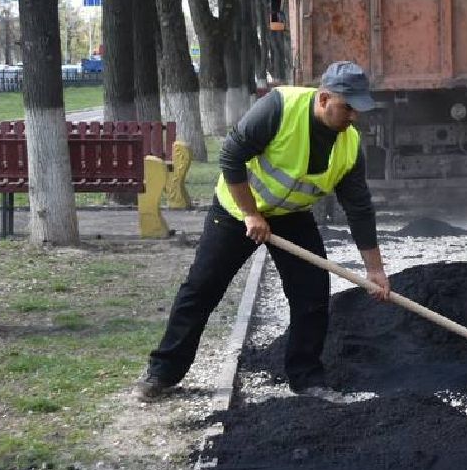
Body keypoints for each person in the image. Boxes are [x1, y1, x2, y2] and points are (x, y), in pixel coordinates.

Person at [136, 60, 391, 400]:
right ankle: (162, 372)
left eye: (359, 110)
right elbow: (230, 157)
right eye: (348, 108)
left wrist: (374, 270)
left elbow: (359, 209)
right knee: (202, 288)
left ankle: (308, 379)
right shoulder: (279, 107)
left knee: (312, 295)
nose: (353, 117)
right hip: (236, 211)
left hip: (291, 215)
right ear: (325, 98)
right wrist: (250, 214)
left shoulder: (349, 145)